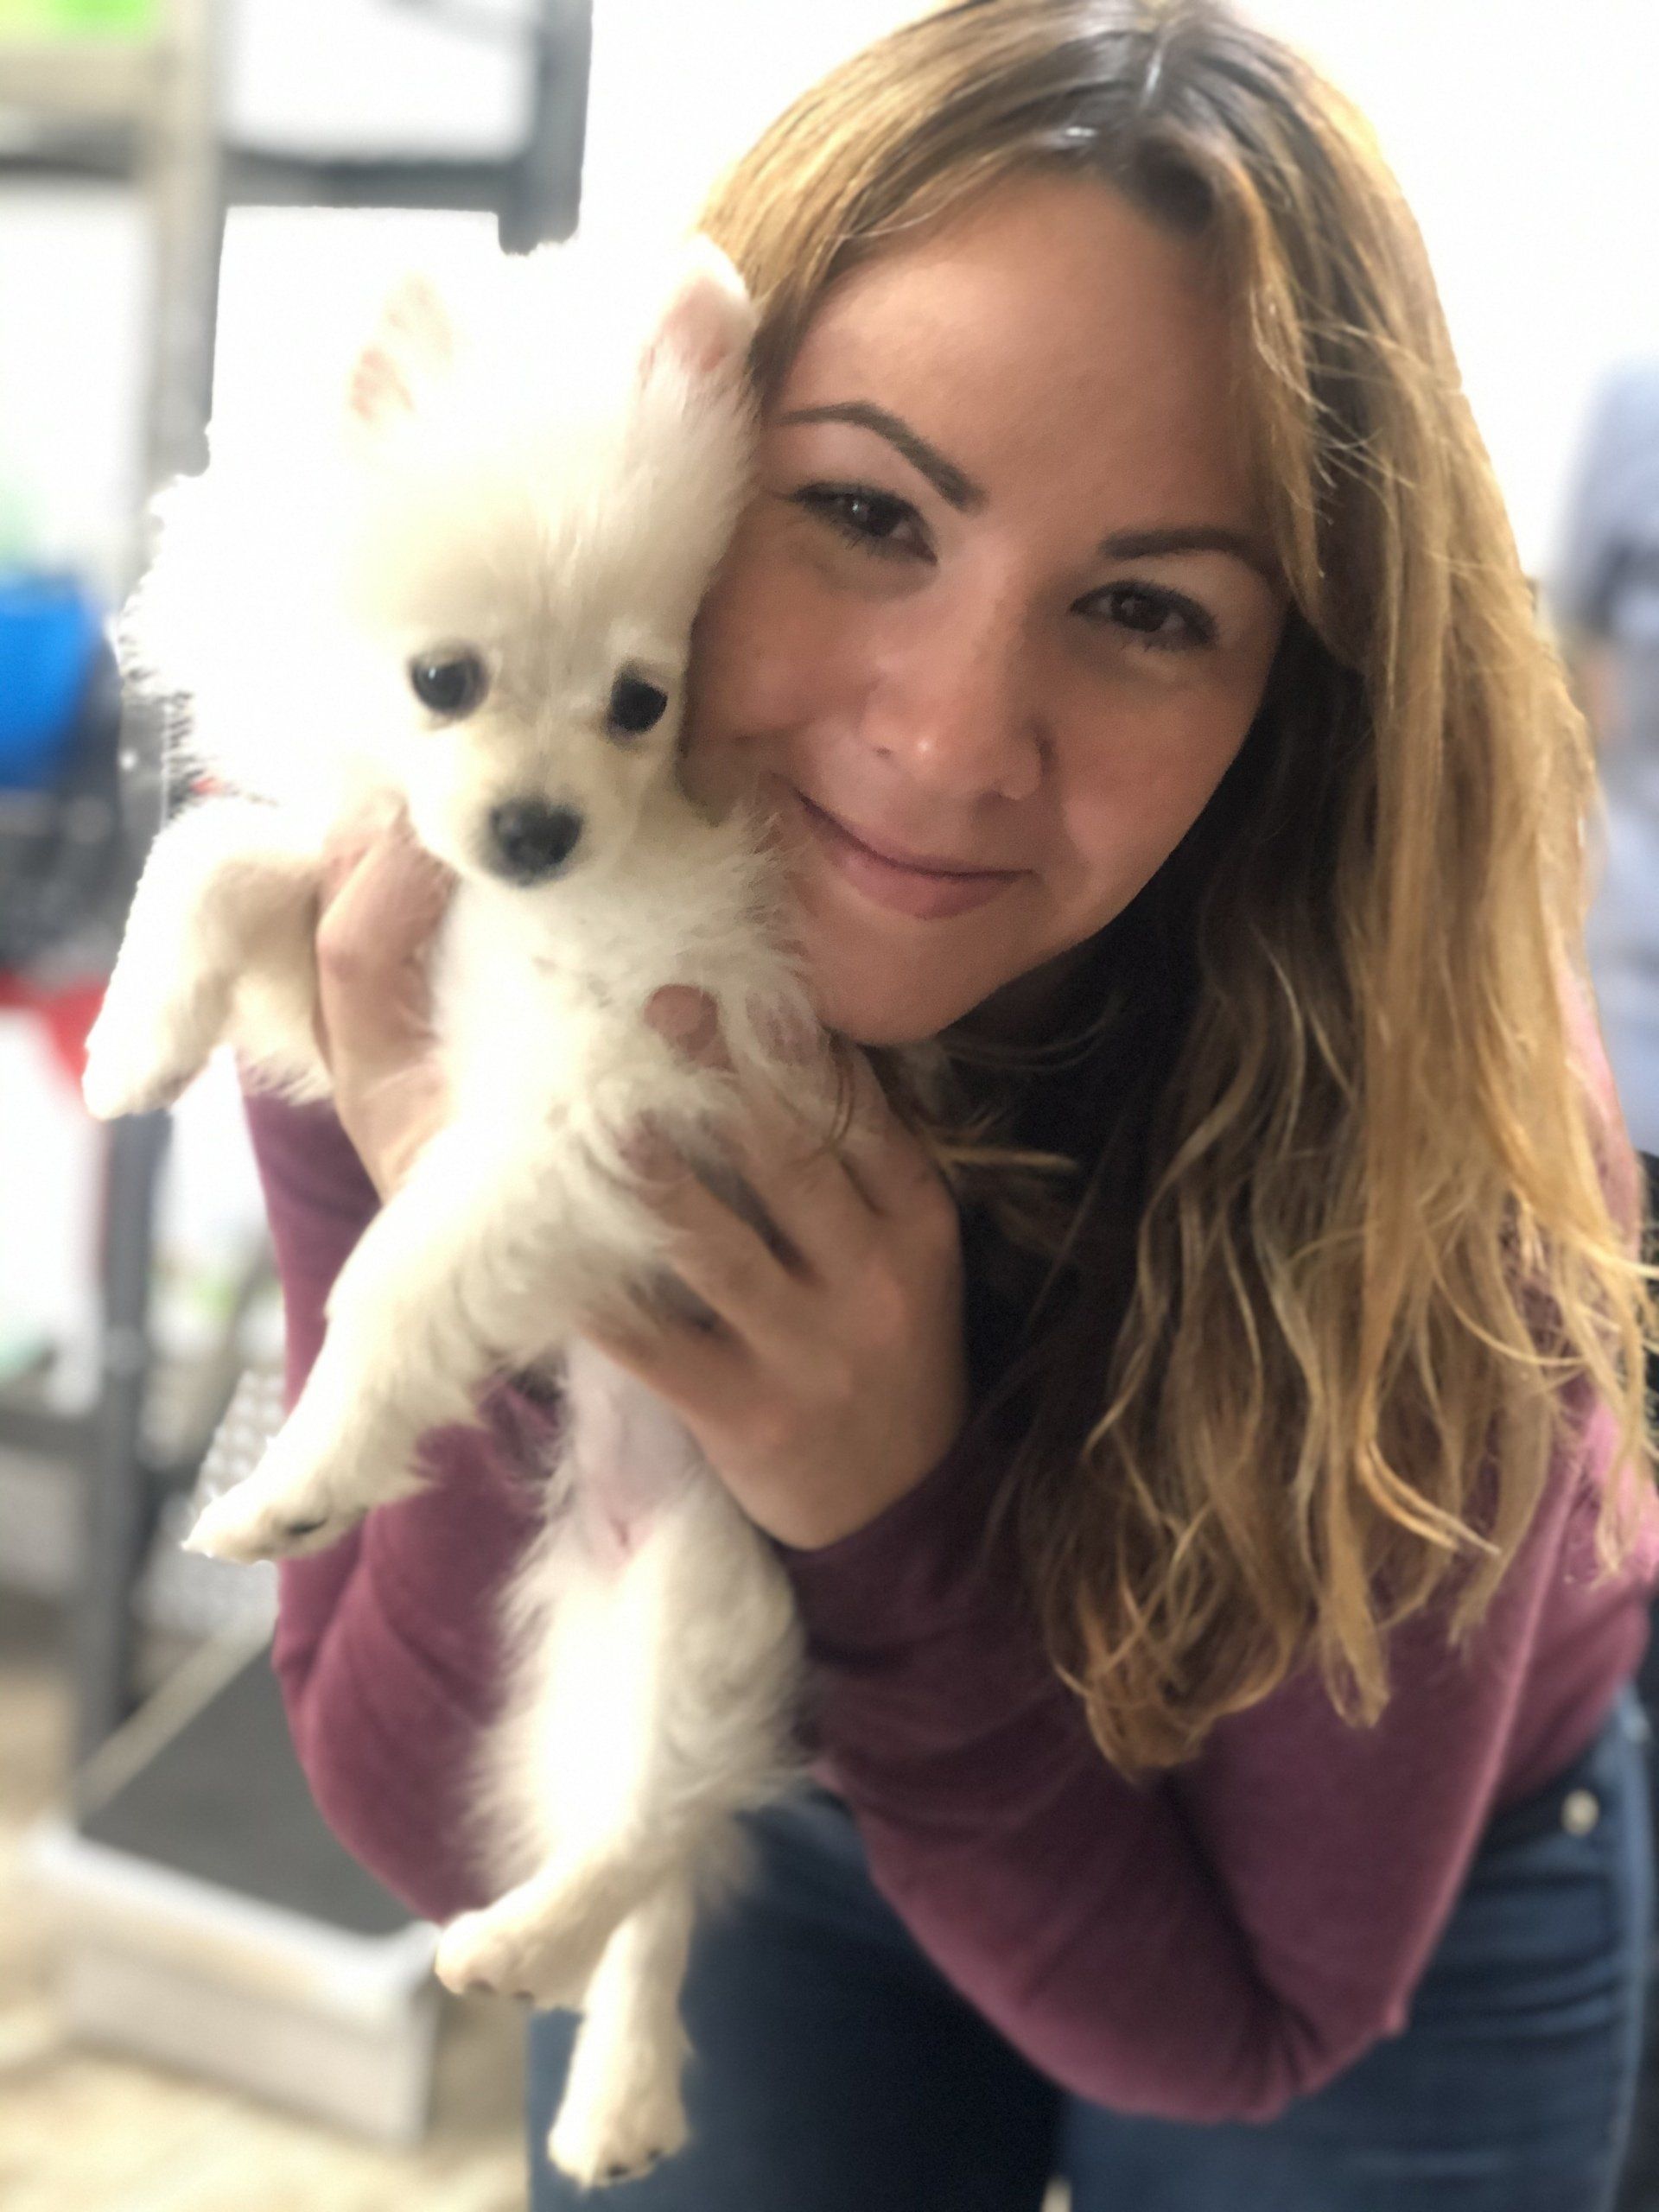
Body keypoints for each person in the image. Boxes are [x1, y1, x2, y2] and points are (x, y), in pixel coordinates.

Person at [240, 3, 1658, 2205]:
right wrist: (507, 1250)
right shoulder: (433, 884)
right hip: (768, 1777)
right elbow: (434, 1829)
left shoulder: (1434, 1145)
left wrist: (882, 1506)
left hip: (1369, 1888)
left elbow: (1249, 2022)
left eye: (1146, 608)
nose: (948, 737)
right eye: (863, 511)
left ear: (1304, 688)